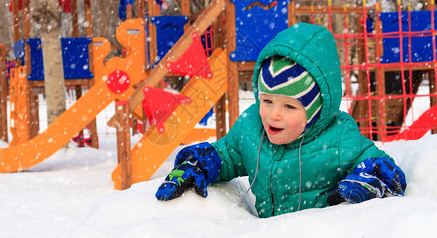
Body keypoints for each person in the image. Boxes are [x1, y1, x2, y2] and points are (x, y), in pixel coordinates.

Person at [155, 23, 406, 218]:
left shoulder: (338, 137)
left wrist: (368, 181)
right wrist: (200, 165)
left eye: (289, 106)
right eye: (267, 101)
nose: (274, 114)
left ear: (316, 111)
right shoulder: (251, 128)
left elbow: (377, 164)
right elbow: (226, 154)